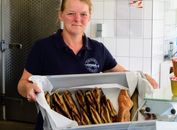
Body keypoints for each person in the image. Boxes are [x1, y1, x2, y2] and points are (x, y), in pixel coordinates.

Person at [17, 0, 158, 129]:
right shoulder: (43, 48)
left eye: (83, 14)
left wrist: (143, 77)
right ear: (61, 15)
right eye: (71, 13)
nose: (77, 19)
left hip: (89, 125)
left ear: (89, 17)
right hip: (51, 125)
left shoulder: (98, 49)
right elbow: (22, 84)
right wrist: (28, 88)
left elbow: (124, 74)